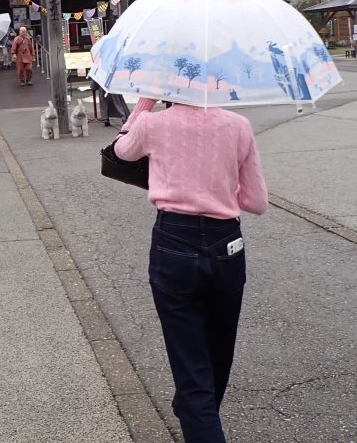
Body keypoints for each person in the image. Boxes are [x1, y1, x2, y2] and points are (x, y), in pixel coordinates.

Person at [114, 101, 268, 443]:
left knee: (189, 361)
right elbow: (257, 201)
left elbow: (121, 152)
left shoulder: (153, 124)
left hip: (174, 240)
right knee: (218, 348)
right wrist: (217, 186)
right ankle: (197, 413)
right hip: (226, 242)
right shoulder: (239, 125)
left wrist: (143, 106)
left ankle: (197, 415)